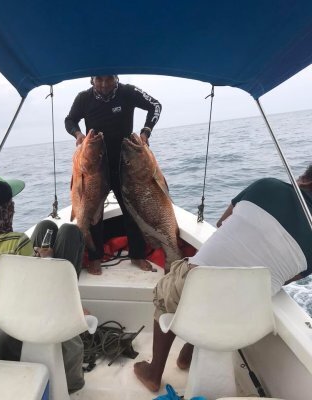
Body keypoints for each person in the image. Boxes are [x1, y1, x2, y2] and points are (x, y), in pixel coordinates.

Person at [133, 166, 312, 392]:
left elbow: (221, 222)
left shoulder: (267, 185)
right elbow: (286, 278)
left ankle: (154, 373)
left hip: (200, 289)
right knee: (225, 294)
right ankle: (187, 355)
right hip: (249, 318)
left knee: (167, 291)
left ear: (304, 179)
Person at [0, 174, 85, 393]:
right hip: (32, 308)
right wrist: (46, 258)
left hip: (2, 314)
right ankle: (72, 380)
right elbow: (38, 282)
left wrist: (35, 255)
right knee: (70, 232)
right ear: (5, 210)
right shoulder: (17, 242)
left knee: (46, 225)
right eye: (10, 204)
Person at [65, 75, 162, 274]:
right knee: (93, 213)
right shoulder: (84, 98)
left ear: (116, 78)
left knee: (132, 210)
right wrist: (78, 134)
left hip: (125, 165)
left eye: (109, 79)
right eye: (99, 80)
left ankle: (137, 255)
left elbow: (155, 105)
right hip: (95, 167)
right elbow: (70, 120)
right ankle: (95, 257)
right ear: (92, 80)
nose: (104, 84)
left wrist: (146, 132)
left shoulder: (128, 92)